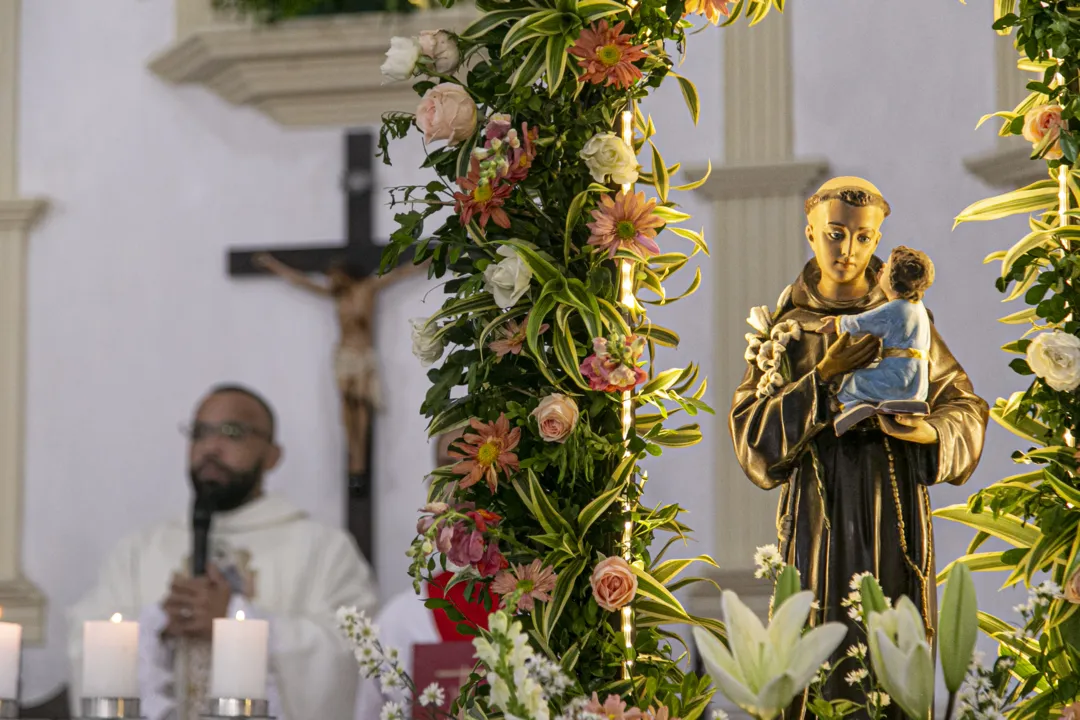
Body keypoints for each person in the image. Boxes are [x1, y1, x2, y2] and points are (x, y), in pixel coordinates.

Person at [729, 177, 989, 719]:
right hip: (815, 517)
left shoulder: (905, 317)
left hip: (891, 505)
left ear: (878, 242)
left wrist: (932, 434)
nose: (847, 250)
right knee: (815, 650)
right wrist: (821, 380)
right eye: (834, 233)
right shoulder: (787, 330)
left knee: (890, 655)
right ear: (810, 233)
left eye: (863, 238)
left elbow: (964, 406)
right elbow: (752, 440)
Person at [68, 384, 378, 720]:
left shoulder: (323, 549)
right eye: (200, 432)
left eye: (232, 433)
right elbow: (85, 640)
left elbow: (351, 654)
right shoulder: (140, 549)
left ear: (273, 456)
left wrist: (238, 619)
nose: (211, 448)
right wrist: (155, 627)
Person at [353, 429, 493, 720]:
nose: (462, 482)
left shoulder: (550, 613)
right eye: (447, 469)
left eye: (477, 461)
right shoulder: (400, 619)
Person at [252, 254, 425, 485]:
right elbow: (301, 281)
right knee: (347, 405)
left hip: (363, 356)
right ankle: (353, 456)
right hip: (343, 356)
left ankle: (360, 459)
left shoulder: (368, 288)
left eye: (334, 277)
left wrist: (429, 259)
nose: (330, 282)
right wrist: (274, 266)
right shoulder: (336, 297)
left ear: (345, 275)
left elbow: (401, 273)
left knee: (361, 402)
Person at [817, 245, 936, 435]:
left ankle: (851, 410)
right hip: (917, 382)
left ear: (895, 278)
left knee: (855, 380)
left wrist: (838, 323)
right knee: (871, 371)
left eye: (887, 267)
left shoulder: (896, 308)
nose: (881, 268)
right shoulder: (918, 308)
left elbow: (864, 321)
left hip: (898, 380)